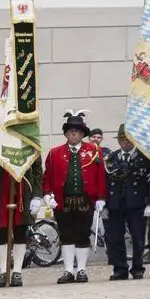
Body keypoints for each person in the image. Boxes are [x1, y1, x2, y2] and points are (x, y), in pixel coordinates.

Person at [42, 111, 107, 283]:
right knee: (66, 235)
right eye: (70, 131)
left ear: (82, 134)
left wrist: (101, 198)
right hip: (63, 202)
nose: (74, 134)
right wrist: (47, 195)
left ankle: (82, 270)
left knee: (82, 234)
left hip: (85, 201)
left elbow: (100, 176)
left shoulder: (93, 151)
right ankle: (68, 270)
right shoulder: (54, 153)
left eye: (77, 131)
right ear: (66, 133)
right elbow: (47, 177)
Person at [0, 114, 41, 288]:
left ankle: (17, 271)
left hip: (23, 190)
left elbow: (38, 171)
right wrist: (5, 144)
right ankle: (2, 271)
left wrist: (37, 195)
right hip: (1, 191)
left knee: (20, 230)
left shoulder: (29, 142)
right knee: (0, 231)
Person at [104, 126, 150, 281]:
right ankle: (120, 269)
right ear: (118, 141)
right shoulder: (112, 158)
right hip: (116, 203)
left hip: (137, 203)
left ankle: (138, 268)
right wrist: (104, 203)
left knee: (138, 237)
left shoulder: (144, 158)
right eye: (122, 139)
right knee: (116, 238)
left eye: (128, 139)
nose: (125, 142)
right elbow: (106, 181)